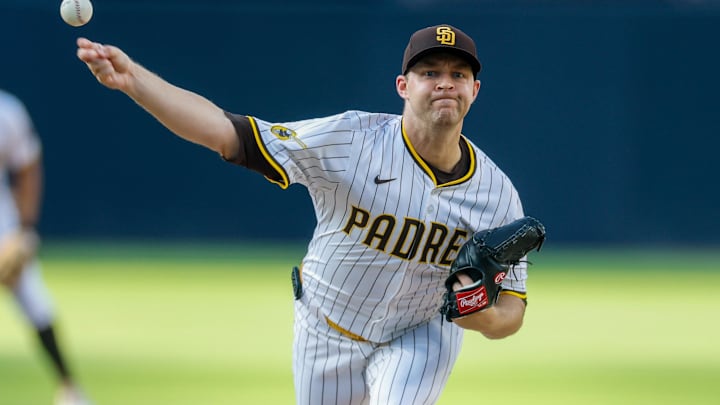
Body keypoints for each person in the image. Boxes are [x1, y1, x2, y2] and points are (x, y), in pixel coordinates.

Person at [76, 24, 531, 404]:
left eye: (458, 73)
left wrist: (481, 316)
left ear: (475, 89)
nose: (445, 83)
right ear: (403, 86)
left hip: (421, 331)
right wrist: (134, 79)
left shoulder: (496, 194)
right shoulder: (351, 140)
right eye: (429, 72)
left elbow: (512, 310)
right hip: (325, 326)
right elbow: (225, 132)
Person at [0, 89, 92, 405]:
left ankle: (69, 389)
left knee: (34, 300)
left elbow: (28, 166)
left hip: (3, 227)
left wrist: (25, 230)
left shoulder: (6, 111)